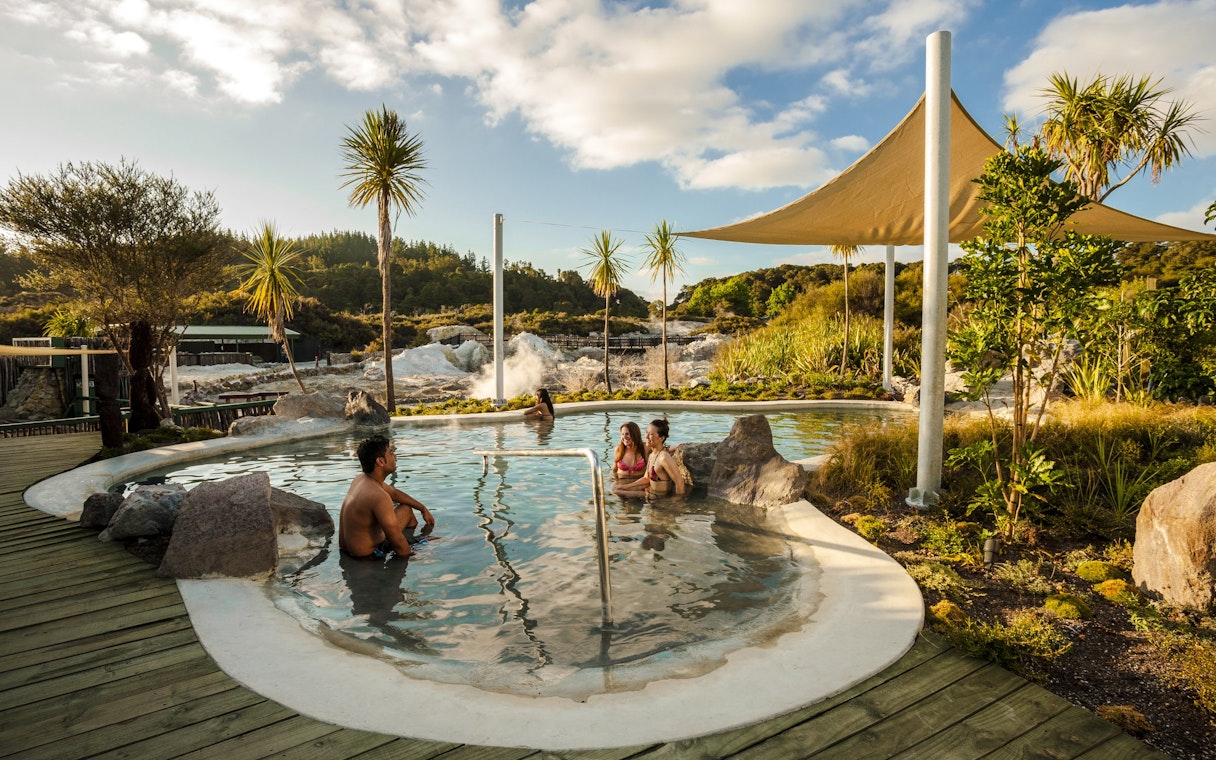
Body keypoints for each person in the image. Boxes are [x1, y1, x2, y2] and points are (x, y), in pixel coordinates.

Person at [339, 435, 435, 560]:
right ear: (380, 461)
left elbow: (394, 493)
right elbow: (398, 544)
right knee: (438, 541)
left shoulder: (361, 479)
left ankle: (415, 537)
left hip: (347, 549)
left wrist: (422, 508)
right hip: (370, 555)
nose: (395, 457)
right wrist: (416, 556)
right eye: (391, 453)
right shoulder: (378, 496)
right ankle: (420, 540)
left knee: (406, 508)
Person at [613, 418, 686, 497]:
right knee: (617, 491)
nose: (646, 436)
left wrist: (678, 504)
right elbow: (646, 478)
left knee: (616, 492)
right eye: (646, 433)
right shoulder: (652, 455)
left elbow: (679, 482)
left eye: (651, 434)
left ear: (661, 438)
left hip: (658, 498)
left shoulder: (663, 457)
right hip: (650, 494)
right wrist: (625, 486)